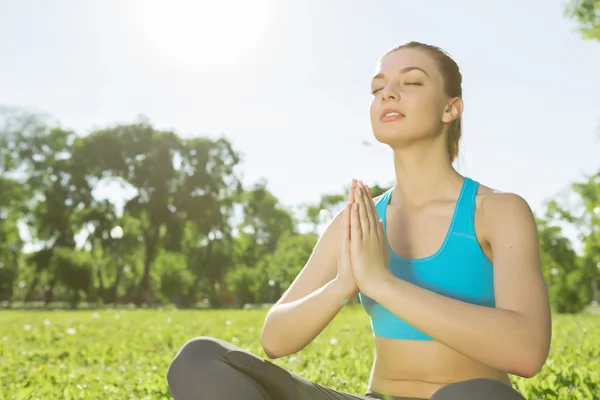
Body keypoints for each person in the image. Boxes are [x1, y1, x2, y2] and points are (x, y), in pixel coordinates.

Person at [166, 41, 552, 400]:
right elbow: (275, 339)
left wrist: (382, 283)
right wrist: (342, 285)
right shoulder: (358, 220)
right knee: (200, 359)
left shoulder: (498, 211)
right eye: (377, 87)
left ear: (451, 108)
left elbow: (526, 352)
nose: (388, 93)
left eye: (412, 81)